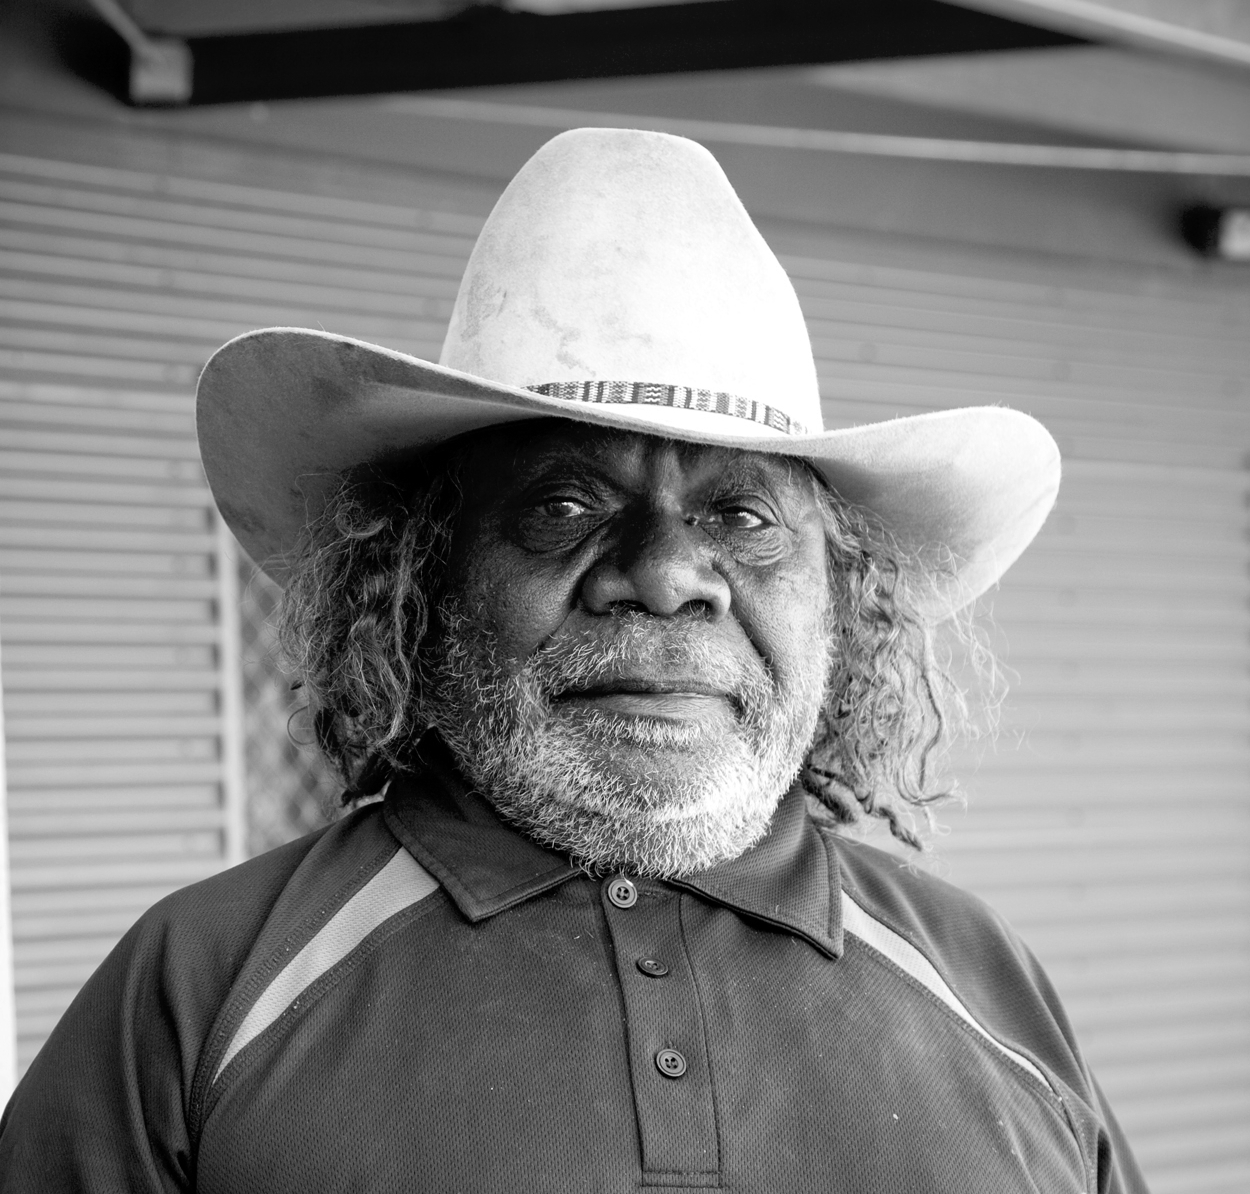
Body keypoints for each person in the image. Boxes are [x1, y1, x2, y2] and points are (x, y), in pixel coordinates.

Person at [0, 129, 1146, 1193]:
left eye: (742, 516)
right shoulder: (206, 984)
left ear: (838, 597)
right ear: (421, 573)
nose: (666, 574)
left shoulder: (985, 981)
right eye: (563, 503)